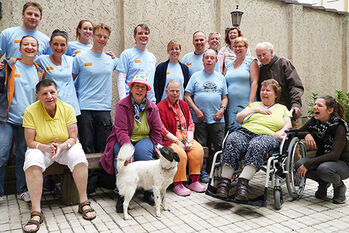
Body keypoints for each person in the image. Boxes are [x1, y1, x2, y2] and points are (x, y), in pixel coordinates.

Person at [22, 79, 95, 233]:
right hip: (41, 147)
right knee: (32, 162)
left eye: (52, 92)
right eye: (44, 93)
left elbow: (73, 137)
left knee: (79, 157)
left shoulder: (67, 108)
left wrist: (61, 147)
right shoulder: (30, 111)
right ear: (37, 96)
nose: (49, 96)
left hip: (64, 146)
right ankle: (36, 212)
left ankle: (83, 202)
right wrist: (46, 147)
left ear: (57, 93)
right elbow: (30, 141)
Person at [216, 79, 292, 200]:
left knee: (257, 144)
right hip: (245, 132)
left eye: (268, 90)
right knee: (232, 140)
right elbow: (239, 118)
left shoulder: (281, 108)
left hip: (267, 135)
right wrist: (256, 110)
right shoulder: (255, 105)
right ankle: (224, 184)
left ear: (276, 95)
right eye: (262, 90)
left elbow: (288, 125)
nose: (264, 92)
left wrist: (281, 132)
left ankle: (242, 184)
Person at [100, 74, 162, 211]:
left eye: (143, 88)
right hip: (123, 138)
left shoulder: (153, 107)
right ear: (131, 88)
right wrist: (128, 151)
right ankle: (121, 195)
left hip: (144, 138)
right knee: (122, 158)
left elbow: (157, 131)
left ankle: (148, 191)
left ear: (147, 91)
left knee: (144, 155)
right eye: (137, 86)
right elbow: (121, 130)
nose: (139, 90)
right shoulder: (122, 105)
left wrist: (158, 150)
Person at [0, 35, 45, 203]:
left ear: (37, 49)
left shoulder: (39, 70)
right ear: (20, 48)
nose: (29, 47)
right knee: (2, 155)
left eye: (33, 45)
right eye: (25, 44)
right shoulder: (9, 66)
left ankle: (22, 190)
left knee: (23, 155)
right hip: (7, 119)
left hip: (28, 122)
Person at [72, 23, 118, 154]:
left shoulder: (112, 60)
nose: (102, 39)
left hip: (103, 109)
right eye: (99, 36)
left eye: (105, 37)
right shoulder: (80, 57)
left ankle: (102, 175)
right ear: (92, 35)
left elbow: (128, 71)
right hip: (85, 108)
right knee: (87, 147)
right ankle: (89, 176)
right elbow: (70, 80)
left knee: (104, 148)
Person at [184, 49, 228, 183]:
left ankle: (218, 173)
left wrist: (222, 110)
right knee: (202, 148)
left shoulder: (221, 77)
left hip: (217, 119)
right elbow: (187, 95)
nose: (209, 60)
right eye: (207, 58)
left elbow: (225, 97)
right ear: (203, 60)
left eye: (212, 58)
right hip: (200, 119)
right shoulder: (196, 76)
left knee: (219, 147)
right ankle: (201, 172)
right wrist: (196, 110)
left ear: (216, 61)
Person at [295, 96, 349, 204]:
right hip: (323, 159)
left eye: (319, 105)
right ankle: (323, 183)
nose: (315, 107)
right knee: (298, 164)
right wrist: (306, 134)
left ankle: (339, 187)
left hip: (342, 164)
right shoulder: (315, 122)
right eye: (315, 104)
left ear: (330, 110)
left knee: (323, 169)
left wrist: (309, 164)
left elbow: (334, 155)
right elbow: (296, 133)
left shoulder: (339, 126)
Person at [157, 80, 205, 196]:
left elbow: (190, 124)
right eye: (172, 91)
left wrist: (188, 140)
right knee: (180, 154)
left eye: (177, 91)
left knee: (198, 150)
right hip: (170, 140)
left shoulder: (184, 105)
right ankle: (178, 184)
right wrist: (177, 141)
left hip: (185, 138)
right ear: (166, 91)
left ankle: (194, 181)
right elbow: (163, 129)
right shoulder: (159, 107)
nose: (174, 93)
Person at [255, 42, 304, 127]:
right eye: (259, 56)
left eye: (264, 54)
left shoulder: (283, 63)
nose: (262, 58)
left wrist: (296, 104)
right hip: (270, 115)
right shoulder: (260, 69)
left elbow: (295, 86)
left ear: (271, 52)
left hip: (288, 111)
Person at [35, 29, 80, 116]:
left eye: (62, 45)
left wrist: (107, 56)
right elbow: (26, 65)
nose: (59, 48)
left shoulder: (72, 60)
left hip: (71, 106)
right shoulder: (42, 60)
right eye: (55, 44)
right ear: (50, 44)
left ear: (67, 46)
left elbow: (89, 61)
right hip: (52, 106)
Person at [225, 37, 259, 128]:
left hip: (246, 102)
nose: (237, 49)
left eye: (240, 46)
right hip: (231, 103)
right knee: (233, 127)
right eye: (235, 46)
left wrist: (251, 102)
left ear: (246, 47)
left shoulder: (251, 61)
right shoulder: (228, 64)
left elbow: (254, 81)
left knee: (246, 126)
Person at [117, 24, 157, 102]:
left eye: (146, 33)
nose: (143, 35)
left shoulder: (152, 57)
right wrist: (123, 101)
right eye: (140, 33)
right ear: (134, 37)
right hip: (131, 101)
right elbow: (121, 79)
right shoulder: (126, 54)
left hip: (149, 101)